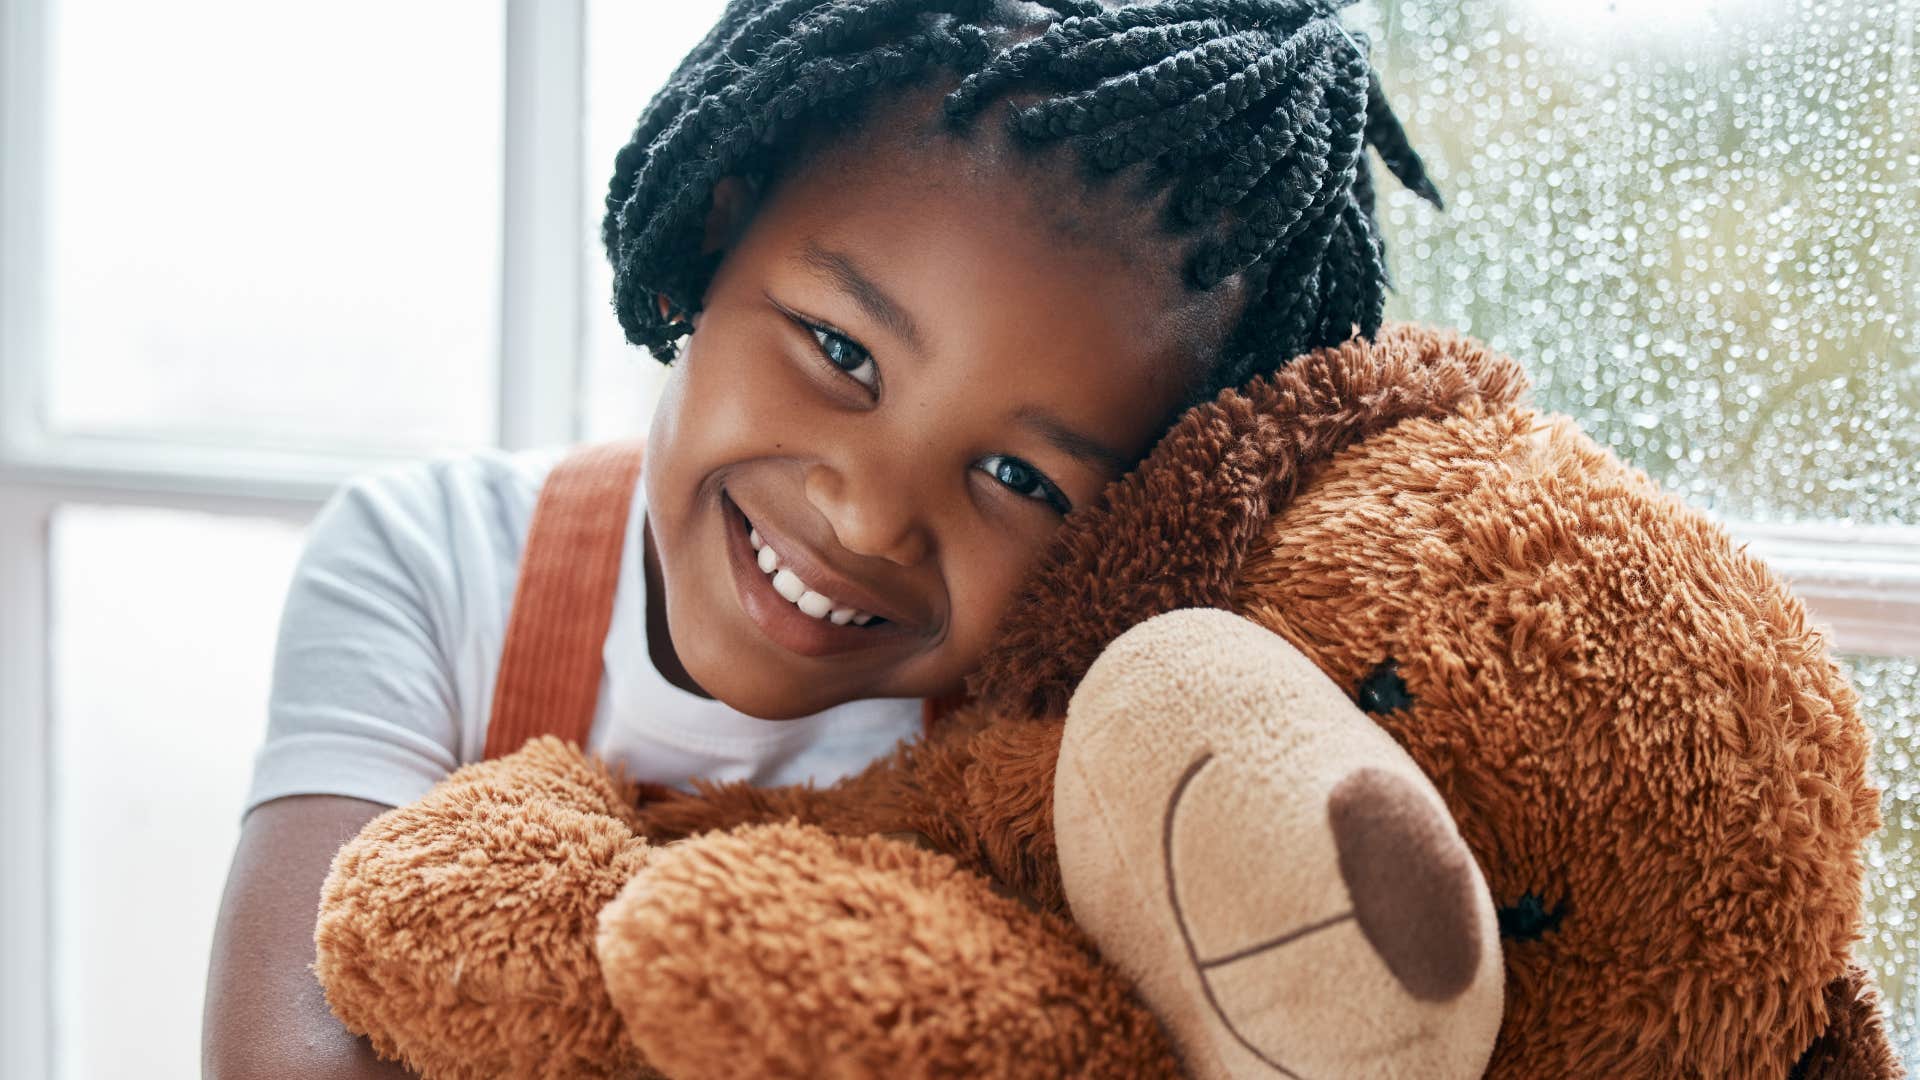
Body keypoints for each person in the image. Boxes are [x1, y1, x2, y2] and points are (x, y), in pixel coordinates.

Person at [203, 0, 1441, 1075]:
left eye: (1020, 475)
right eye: (841, 351)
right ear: (714, 228)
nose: (868, 515)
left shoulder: (1064, 763)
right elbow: (283, 1061)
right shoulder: (433, 563)